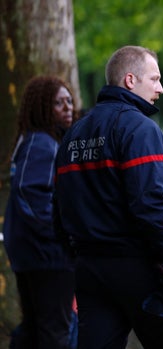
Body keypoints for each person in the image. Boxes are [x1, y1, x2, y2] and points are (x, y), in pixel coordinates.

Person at [53, 45, 163, 349]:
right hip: (137, 269)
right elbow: (150, 207)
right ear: (129, 80)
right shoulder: (140, 130)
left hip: (88, 269)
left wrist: (75, 258)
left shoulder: (74, 134)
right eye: (154, 79)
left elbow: (57, 207)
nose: (161, 88)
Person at [3, 76, 77, 348]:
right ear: (42, 108)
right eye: (58, 103)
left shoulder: (37, 140)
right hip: (47, 257)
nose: (68, 107)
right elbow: (30, 194)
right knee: (54, 331)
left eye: (69, 100)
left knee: (34, 328)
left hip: (34, 255)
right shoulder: (41, 144)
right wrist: (62, 235)